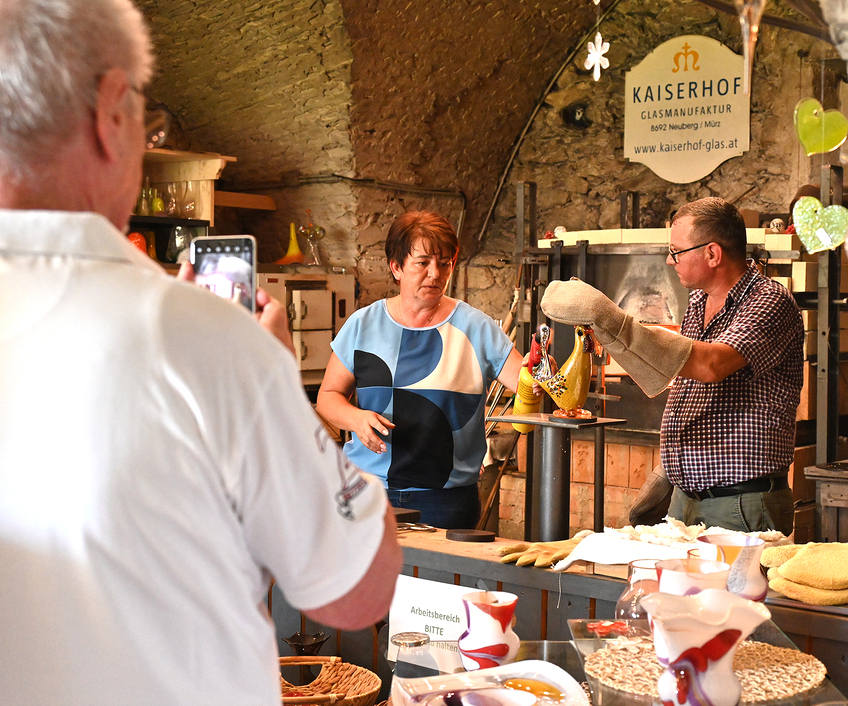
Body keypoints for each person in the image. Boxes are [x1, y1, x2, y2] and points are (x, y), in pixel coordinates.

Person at [0, 1, 402, 704]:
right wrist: (271, 378)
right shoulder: (202, 341)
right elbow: (356, 590)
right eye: (145, 117)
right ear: (110, 110)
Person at [542, 197, 804, 535]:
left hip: (739, 503)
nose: (669, 260)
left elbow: (711, 365)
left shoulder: (769, 300)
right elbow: (680, 373)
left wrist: (611, 317)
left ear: (713, 254)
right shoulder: (699, 299)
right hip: (686, 498)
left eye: (676, 251)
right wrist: (670, 470)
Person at [316, 211, 526, 529]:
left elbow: (527, 382)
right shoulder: (363, 324)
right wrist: (356, 418)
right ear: (396, 267)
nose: (435, 273)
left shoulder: (475, 327)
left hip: (446, 500)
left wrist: (542, 370)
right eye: (423, 262)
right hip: (366, 491)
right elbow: (328, 397)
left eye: (444, 263)